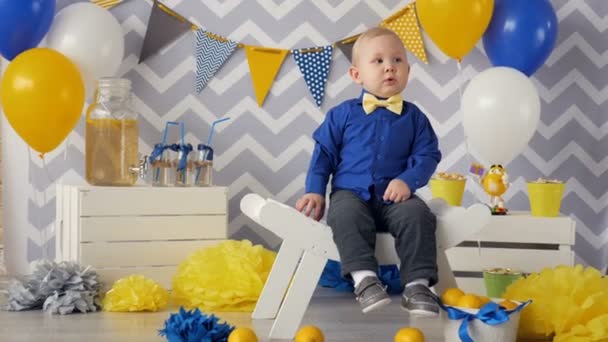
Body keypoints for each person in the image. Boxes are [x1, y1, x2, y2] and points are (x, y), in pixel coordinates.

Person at [295, 27, 442, 316]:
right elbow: (323, 154)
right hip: (352, 194)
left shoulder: (415, 118)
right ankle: (365, 280)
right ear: (356, 74)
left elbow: (427, 155)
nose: (390, 66)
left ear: (408, 71)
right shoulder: (341, 115)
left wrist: (407, 181)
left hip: (395, 199)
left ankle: (417, 285)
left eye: (397, 60)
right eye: (378, 61)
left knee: (418, 214)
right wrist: (314, 189)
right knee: (344, 213)